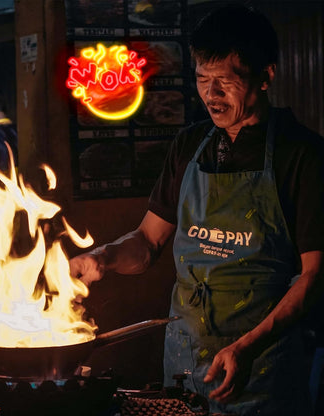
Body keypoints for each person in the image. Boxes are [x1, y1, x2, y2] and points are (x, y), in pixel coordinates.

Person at [69, 4, 324, 416]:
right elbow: (148, 241)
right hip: (184, 367)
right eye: (203, 79)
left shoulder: (304, 155)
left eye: (226, 81)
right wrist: (105, 256)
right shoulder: (190, 145)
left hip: (261, 369)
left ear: (266, 76)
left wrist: (245, 348)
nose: (211, 94)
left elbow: (314, 276)